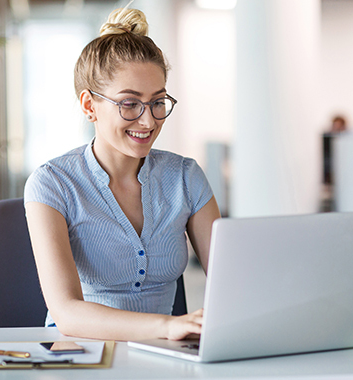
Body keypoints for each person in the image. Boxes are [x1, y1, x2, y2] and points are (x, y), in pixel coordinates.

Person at [23, 6, 220, 342]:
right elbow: (67, 312)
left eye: (158, 102)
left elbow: (231, 282)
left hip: (164, 354)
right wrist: (167, 326)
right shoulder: (52, 183)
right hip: (80, 353)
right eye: (130, 104)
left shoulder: (185, 177)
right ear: (89, 105)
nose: (148, 121)